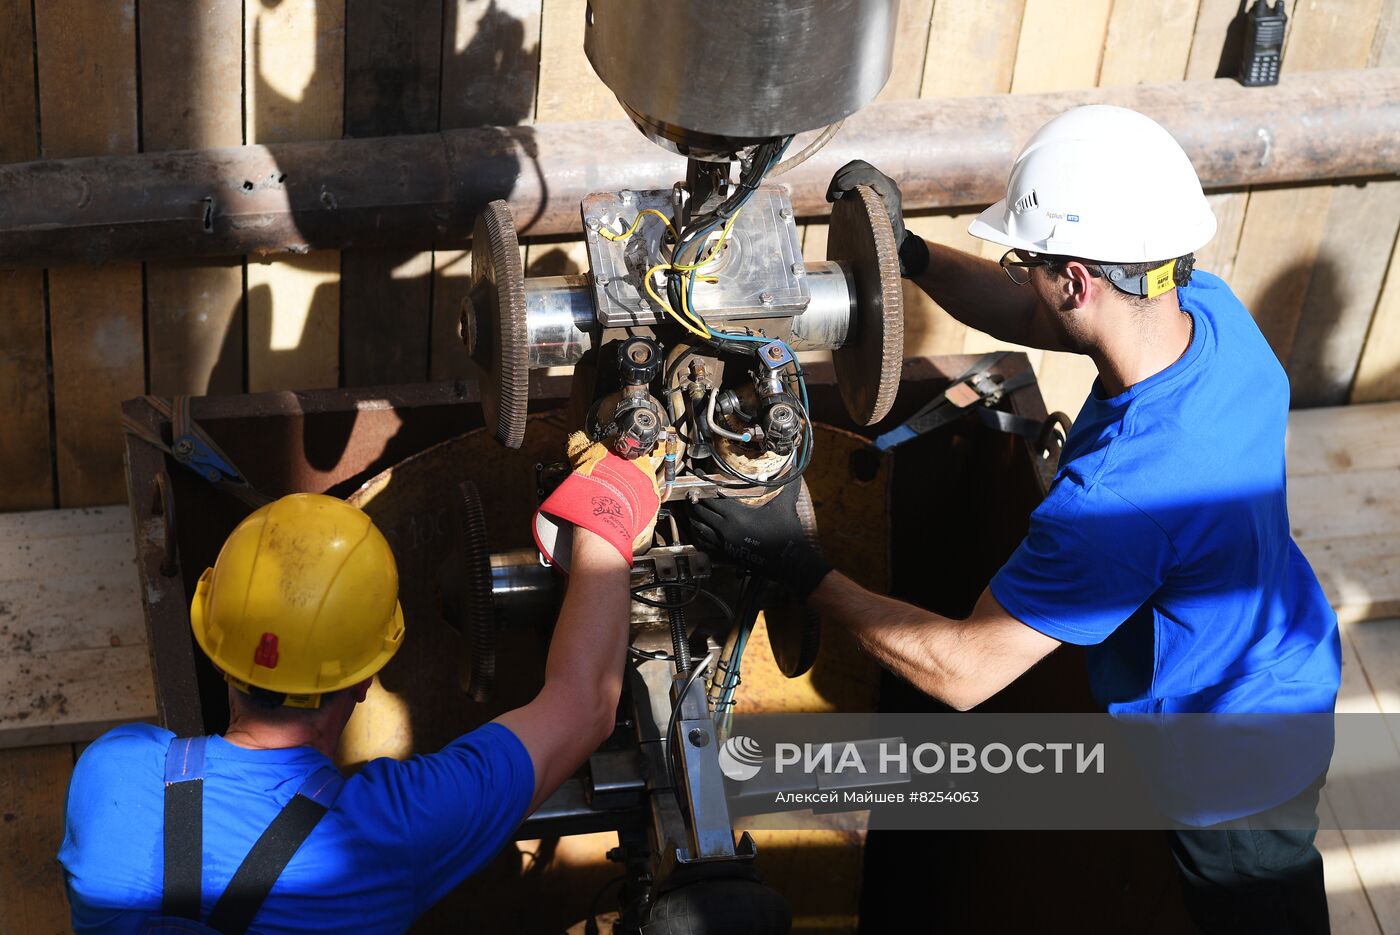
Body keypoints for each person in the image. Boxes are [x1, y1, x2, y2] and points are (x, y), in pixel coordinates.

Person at [689, 105, 1340, 935]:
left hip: (1231, 766)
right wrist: (908, 257)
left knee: (1257, 908)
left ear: (1079, 278)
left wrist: (799, 565)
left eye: (1026, 261)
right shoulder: (1210, 316)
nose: (1020, 274)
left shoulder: (1118, 498)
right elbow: (1040, 315)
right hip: (1283, 654)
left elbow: (964, 672)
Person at [60, 434, 665, 934]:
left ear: (217, 650)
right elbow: (585, 704)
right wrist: (607, 507)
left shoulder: (111, 771)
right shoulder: (389, 831)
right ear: (367, 679)